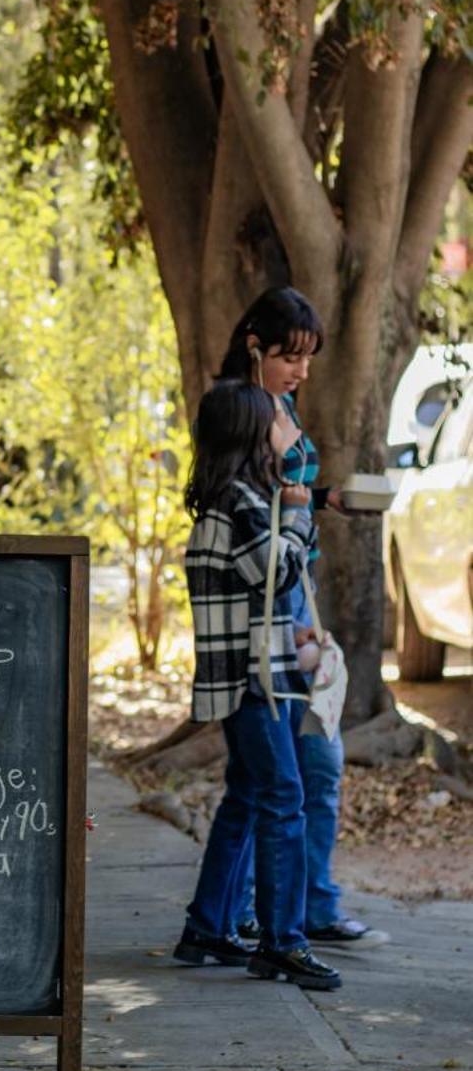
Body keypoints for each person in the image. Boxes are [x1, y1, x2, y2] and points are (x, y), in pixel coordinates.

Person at [173, 381, 342, 992]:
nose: (288, 426)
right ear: (252, 434)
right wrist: (298, 514)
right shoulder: (242, 502)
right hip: (253, 686)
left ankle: (208, 926)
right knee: (284, 800)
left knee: (247, 795)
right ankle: (282, 942)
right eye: (278, 420)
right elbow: (275, 572)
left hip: (252, 675)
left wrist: (296, 640)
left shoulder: (237, 499)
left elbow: (253, 599)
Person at [218, 288, 374, 946]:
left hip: (295, 589)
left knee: (303, 761)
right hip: (263, 597)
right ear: (254, 344)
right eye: (289, 356)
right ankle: (272, 915)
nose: (301, 370)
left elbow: (288, 498)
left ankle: (291, 903)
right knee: (281, 770)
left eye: (308, 358)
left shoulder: (281, 404)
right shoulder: (237, 409)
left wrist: (323, 498)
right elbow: (245, 507)